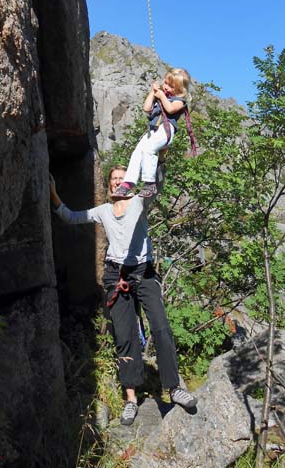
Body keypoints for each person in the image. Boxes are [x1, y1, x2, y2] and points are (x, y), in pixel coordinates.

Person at [49, 164, 197, 426]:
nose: (118, 182)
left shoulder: (140, 203)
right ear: (109, 186)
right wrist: (53, 193)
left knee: (161, 328)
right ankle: (131, 398)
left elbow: (157, 186)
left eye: (122, 178)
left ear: (129, 183)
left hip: (144, 274)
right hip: (116, 277)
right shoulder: (104, 211)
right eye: (114, 179)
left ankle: (173, 388)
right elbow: (71, 217)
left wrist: (159, 157)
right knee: (124, 335)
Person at [111, 68, 191, 200]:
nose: (166, 87)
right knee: (138, 152)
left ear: (179, 90)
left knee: (149, 149)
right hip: (153, 130)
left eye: (172, 87)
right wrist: (152, 93)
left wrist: (161, 96)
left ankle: (149, 182)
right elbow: (146, 108)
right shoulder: (160, 96)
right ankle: (128, 182)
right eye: (166, 83)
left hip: (166, 129)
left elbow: (170, 109)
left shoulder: (179, 101)